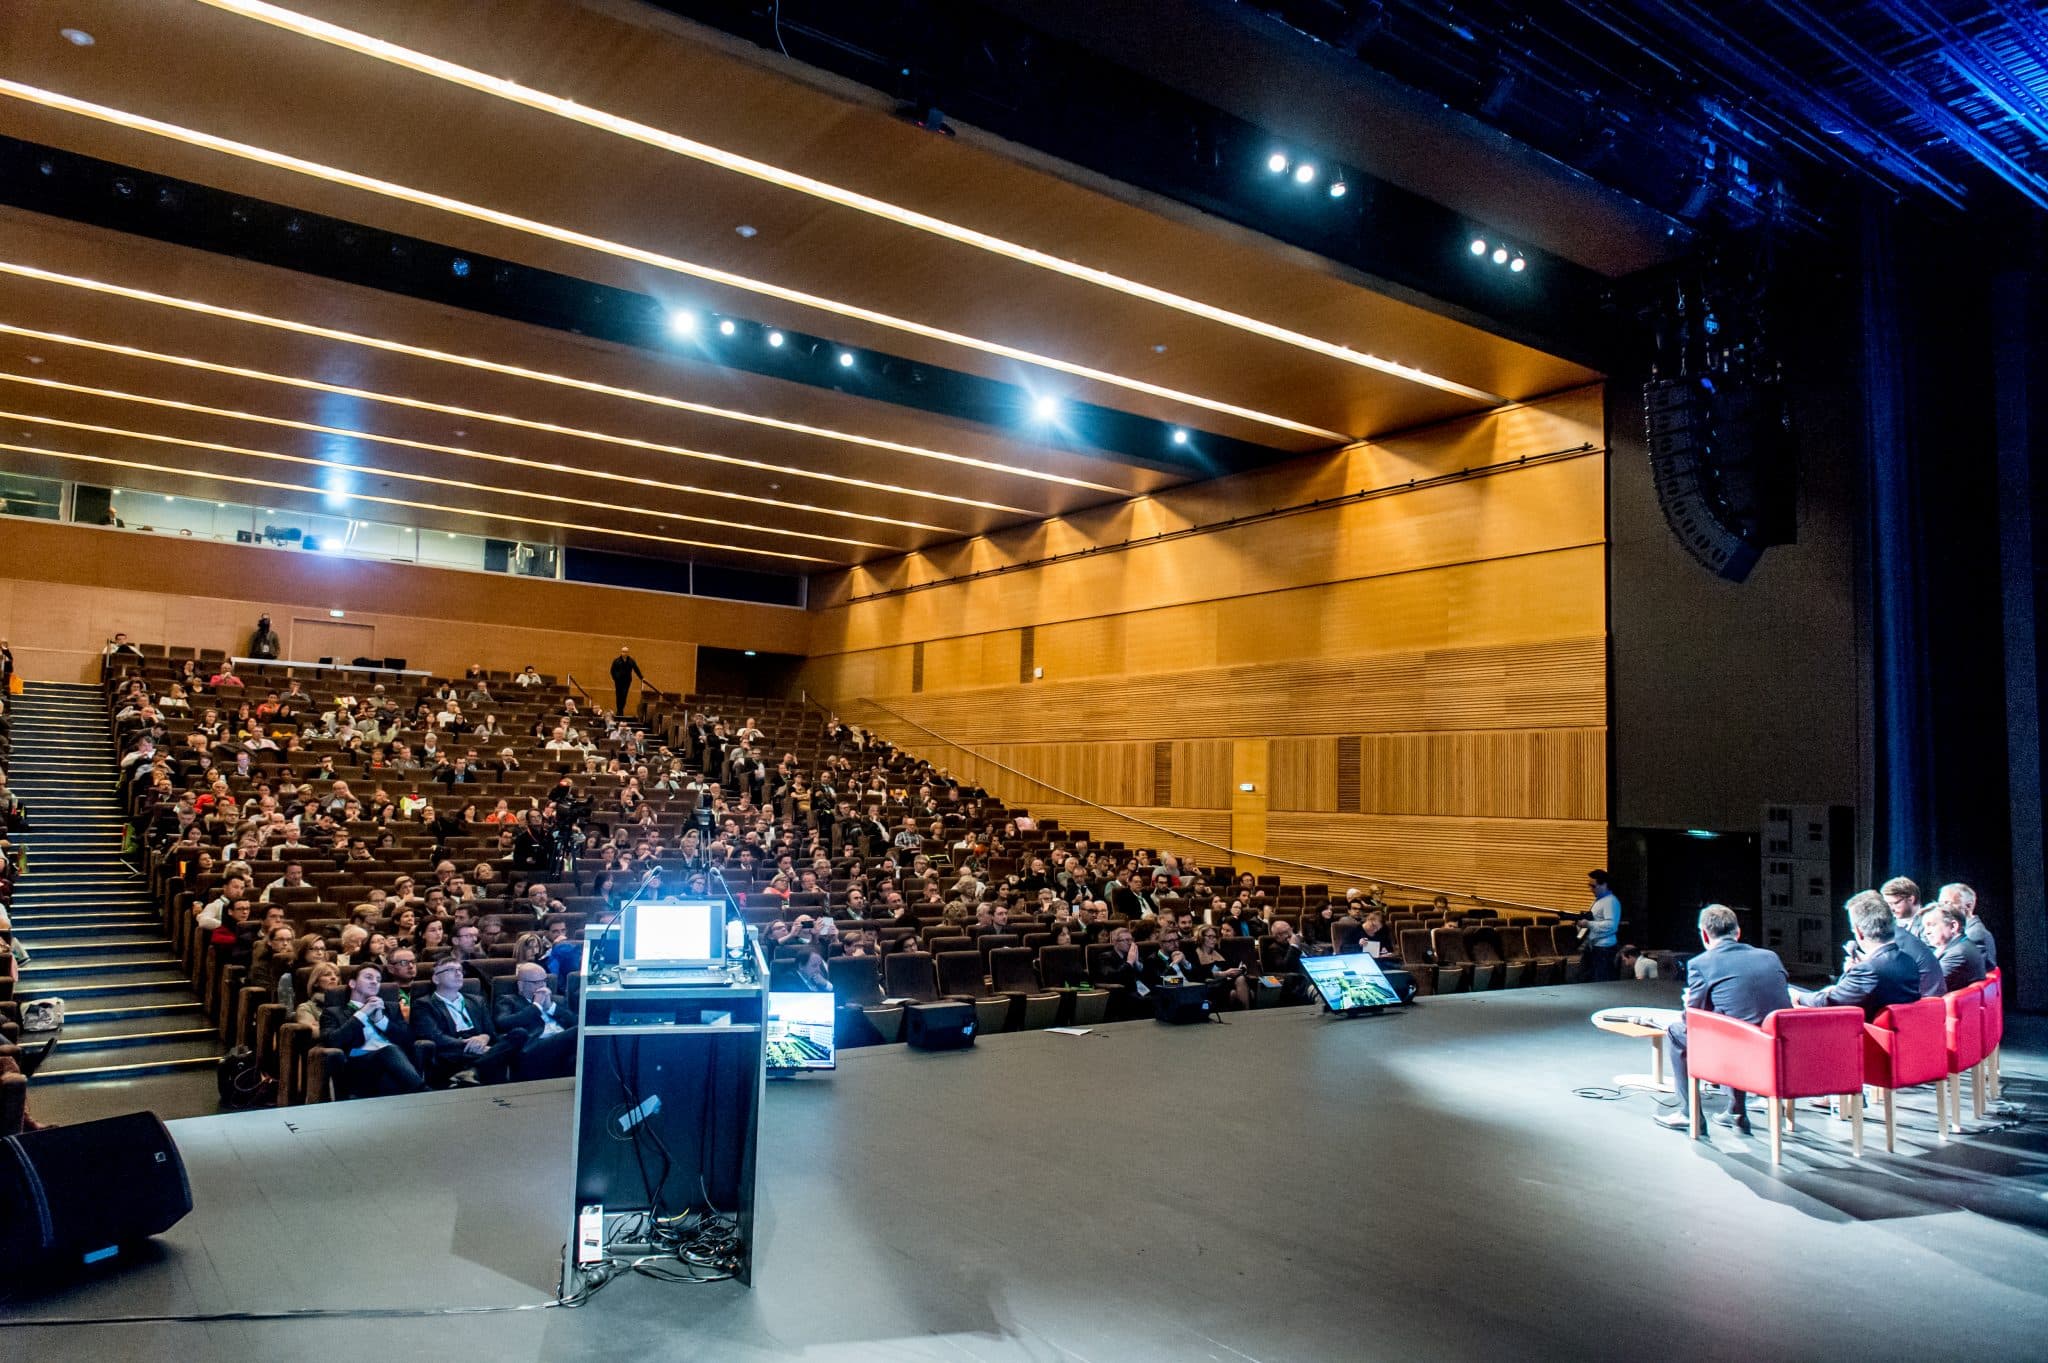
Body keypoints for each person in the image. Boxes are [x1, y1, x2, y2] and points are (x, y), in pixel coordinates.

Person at [1655, 904, 1790, 1134]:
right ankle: (1736, 1112)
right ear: (1738, 932)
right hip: (1779, 1046)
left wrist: (1689, 1001)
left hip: (1737, 1048)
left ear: (1705, 935)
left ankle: (1690, 1113)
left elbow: (1693, 1020)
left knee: (1677, 1033)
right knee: (1738, 1023)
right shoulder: (1770, 957)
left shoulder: (1702, 963)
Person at [1794, 892, 1921, 1019]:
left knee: (1789, 992)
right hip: (1895, 1032)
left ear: (1859, 932)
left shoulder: (1868, 970)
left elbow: (1829, 1002)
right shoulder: (1908, 961)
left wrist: (1798, 996)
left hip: (1860, 1033)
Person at [319, 966, 426, 1097]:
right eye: (368, 977)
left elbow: (409, 1040)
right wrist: (362, 1014)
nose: (375, 981)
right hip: (359, 1066)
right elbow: (333, 1041)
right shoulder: (333, 1012)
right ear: (352, 983)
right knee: (388, 1050)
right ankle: (424, 1092)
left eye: (378, 979)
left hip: (396, 1062)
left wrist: (381, 1020)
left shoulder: (390, 1008)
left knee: (390, 1060)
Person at [413, 957, 521, 1086]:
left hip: (482, 1047)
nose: (458, 973)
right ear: (436, 979)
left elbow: (490, 1032)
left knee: (519, 1034)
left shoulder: (477, 1001)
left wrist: (483, 1038)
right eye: (450, 970)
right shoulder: (424, 1004)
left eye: (459, 970)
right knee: (497, 1056)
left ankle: (474, 1070)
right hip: (453, 1050)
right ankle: (478, 1066)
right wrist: (466, 1044)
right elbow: (434, 1036)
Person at [495, 963, 577, 1080]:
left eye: (544, 981)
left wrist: (551, 1007)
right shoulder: (508, 1000)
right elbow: (502, 1023)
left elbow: (576, 1022)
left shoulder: (557, 1000)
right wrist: (536, 1006)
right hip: (533, 1048)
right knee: (578, 1032)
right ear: (521, 985)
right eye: (536, 982)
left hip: (561, 1046)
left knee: (584, 1032)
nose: (542, 986)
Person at [1921, 903, 1987, 992]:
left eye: (1931, 925)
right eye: (1924, 927)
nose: (1926, 932)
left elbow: (1926, 986)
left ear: (1953, 926)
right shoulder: (1962, 944)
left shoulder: (1958, 953)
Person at [1937, 882, 1997, 970]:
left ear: (1968, 906)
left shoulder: (1975, 935)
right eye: (1940, 904)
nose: (1941, 910)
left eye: (1947, 903)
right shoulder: (1963, 931)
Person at [1582, 870, 1621, 981]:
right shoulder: (1599, 900)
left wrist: (1588, 924)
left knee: (1601, 980)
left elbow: (1611, 925)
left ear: (1604, 885)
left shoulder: (1610, 901)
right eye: (1589, 886)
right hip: (1595, 947)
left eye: (1593, 886)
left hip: (1604, 949)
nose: (1591, 889)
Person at [609, 646, 645, 717]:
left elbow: (636, 669)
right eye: (623, 651)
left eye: (626, 652)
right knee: (618, 696)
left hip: (627, 681)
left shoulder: (631, 661)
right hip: (618, 682)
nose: (624, 653)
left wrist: (641, 677)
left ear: (628, 653)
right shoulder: (616, 661)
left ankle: (620, 710)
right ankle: (620, 711)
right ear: (621, 652)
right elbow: (612, 671)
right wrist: (615, 678)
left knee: (624, 696)